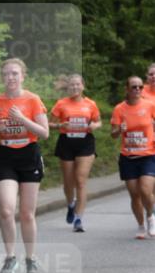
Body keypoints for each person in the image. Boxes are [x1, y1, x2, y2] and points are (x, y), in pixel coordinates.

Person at [0, 58, 49, 273]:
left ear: (23, 76)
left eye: (14, 73)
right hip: (6, 156)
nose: (10, 77)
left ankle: (31, 259)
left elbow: (44, 132)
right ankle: (10, 258)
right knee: (6, 210)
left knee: (26, 214)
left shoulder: (33, 100)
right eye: (6, 74)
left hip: (29, 155)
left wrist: (22, 119)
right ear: (2, 78)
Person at [50, 74, 102, 232]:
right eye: (72, 85)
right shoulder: (61, 104)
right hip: (66, 142)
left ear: (83, 86)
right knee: (68, 182)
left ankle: (79, 219)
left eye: (77, 84)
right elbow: (49, 123)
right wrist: (60, 125)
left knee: (80, 180)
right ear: (68, 87)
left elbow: (98, 121)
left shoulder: (90, 104)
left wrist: (94, 126)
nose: (75, 87)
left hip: (85, 143)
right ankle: (71, 204)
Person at [110, 76, 155, 239]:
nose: (137, 90)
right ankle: (141, 225)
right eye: (134, 87)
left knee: (145, 190)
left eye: (140, 87)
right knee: (134, 194)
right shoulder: (119, 109)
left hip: (148, 155)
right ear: (127, 89)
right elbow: (113, 134)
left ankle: (151, 216)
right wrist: (119, 130)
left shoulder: (149, 106)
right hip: (128, 157)